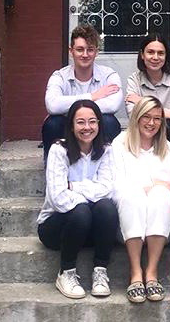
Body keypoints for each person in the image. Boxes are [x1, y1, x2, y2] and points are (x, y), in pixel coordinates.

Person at [37, 100, 119, 299]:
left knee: (107, 208)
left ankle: (100, 270)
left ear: (99, 124)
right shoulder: (58, 150)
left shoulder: (106, 150)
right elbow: (57, 198)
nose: (87, 127)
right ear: (71, 126)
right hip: (56, 228)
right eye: (80, 122)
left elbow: (107, 189)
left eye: (92, 122)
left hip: (89, 231)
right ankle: (66, 272)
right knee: (81, 211)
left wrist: (73, 186)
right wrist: (88, 197)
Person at [112, 96, 170, 303]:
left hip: (160, 222)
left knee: (161, 195)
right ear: (136, 117)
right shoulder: (120, 143)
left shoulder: (167, 147)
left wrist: (155, 186)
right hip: (128, 220)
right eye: (146, 117)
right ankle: (135, 271)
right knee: (133, 195)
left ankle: (152, 272)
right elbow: (116, 183)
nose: (151, 123)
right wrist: (150, 184)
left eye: (157, 119)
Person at [42, 24, 123, 164]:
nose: (85, 55)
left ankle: (106, 166)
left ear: (96, 52)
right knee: (53, 123)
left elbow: (113, 105)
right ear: (70, 51)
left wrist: (71, 110)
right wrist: (92, 96)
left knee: (110, 122)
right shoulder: (59, 76)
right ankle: (53, 167)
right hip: (68, 129)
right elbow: (52, 105)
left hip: (95, 129)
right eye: (80, 49)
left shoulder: (109, 75)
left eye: (90, 50)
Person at [125, 33, 170, 145]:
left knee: (168, 124)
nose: (155, 57)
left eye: (161, 53)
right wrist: (169, 113)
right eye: (150, 52)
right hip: (142, 134)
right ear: (142, 55)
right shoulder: (134, 80)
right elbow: (133, 115)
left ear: (166, 56)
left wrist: (141, 102)